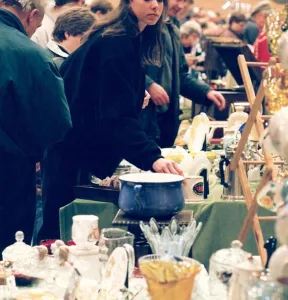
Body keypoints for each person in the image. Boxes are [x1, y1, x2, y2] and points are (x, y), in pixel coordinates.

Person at [40, 0, 182, 239]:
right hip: (71, 152)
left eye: (160, 0)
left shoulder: (123, 37)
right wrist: (152, 158)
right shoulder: (117, 41)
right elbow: (115, 118)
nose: (155, 6)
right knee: (60, 236)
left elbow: (105, 98)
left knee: (65, 232)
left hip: (72, 147)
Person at [0, 0, 72, 252]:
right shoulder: (30, 53)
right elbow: (56, 123)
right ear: (31, 16)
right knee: (8, 258)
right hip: (9, 175)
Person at [139, 0, 226, 148]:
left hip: (164, 123)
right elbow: (121, 67)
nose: (181, 6)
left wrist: (205, 91)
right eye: (178, 0)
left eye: (186, 2)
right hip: (141, 121)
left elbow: (180, 75)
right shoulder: (141, 25)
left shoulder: (172, 28)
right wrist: (149, 85)